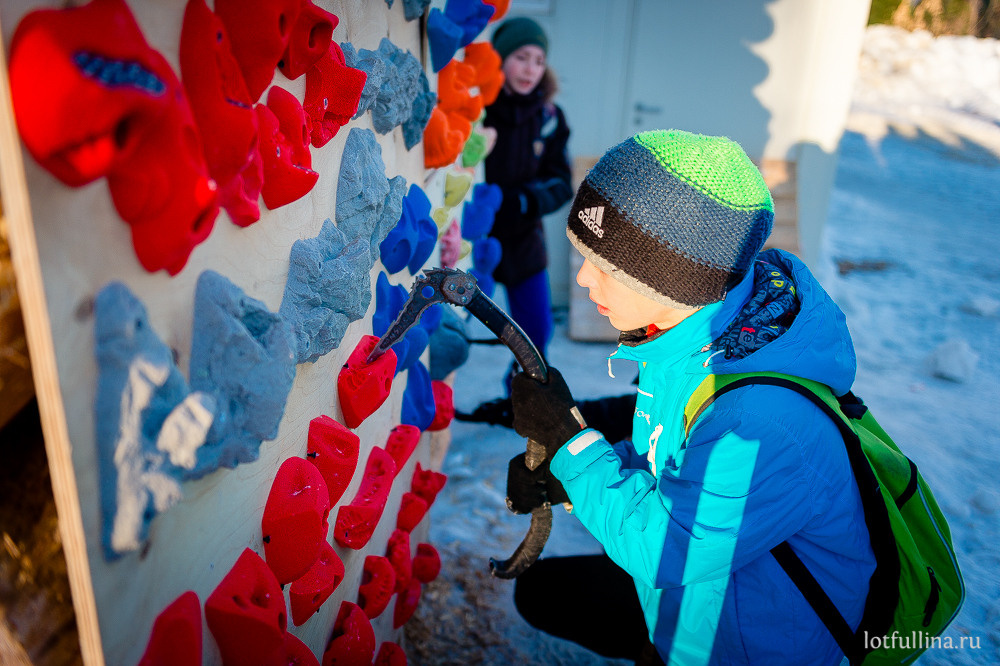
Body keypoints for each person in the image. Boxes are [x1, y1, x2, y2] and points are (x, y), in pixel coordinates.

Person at [504, 129, 876, 665]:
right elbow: (672, 462)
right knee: (541, 592)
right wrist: (567, 475)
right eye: (583, 255)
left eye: (605, 266)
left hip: (749, 647)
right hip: (697, 609)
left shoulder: (759, 421)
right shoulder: (692, 345)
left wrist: (572, 444)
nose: (584, 279)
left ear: (674, 281)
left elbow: (666, 550)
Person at [481, 16, 573, 390]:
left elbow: (561, 182)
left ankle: (525, 397)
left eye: (539, 60)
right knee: (452, 322)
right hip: (475, 235)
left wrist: (522, 201)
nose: (531, 69)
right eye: (521, 56)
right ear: (500, 59)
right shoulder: (477, 107)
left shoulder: (549, 118)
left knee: (536, 331)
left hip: (522, 237)